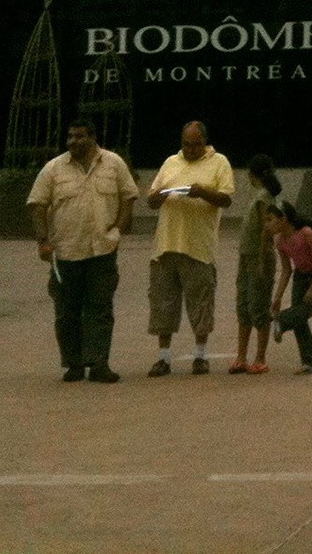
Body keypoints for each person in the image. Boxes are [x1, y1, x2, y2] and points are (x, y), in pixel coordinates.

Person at [26, 119, 138, 384]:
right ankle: (74, 364)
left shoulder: (113, 164)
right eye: (69, 137)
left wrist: (117, 231)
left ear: (93, 138)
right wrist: (43, 240)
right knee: (67, 311)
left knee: (100, 309)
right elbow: (37, 205)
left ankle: (99, 364)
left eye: (79, 136)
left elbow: (129, 196)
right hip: (66, 253)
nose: (73, 142)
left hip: (102, 250)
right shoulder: (53, 169)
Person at [144, 119, 235, 376]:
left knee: (201, 303)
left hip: (198, 247)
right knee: (163, 303)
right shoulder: (171, 162)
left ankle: (201, 356)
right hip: (166, 246)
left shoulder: (219, 163)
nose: (190, 150)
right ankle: (163, 358)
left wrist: (203, 192)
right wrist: (157, 197)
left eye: (195, 145)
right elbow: (151, 199)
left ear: (204, 142)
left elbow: (226, 199)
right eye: (186, 144)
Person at [268, 202, 312, 373]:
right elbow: (286, 270)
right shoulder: (280, 241)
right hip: (301, 274)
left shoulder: (306, 233)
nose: (267, 225)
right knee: (299, 317)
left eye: (270, 220)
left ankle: (282, 320)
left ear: (283, 220)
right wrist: (278, 297)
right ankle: (309, 362)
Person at [232, 155, 280, 374]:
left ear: (253, 174)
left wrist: (262, 260)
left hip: (258, 257)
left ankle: (259, 357)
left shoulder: (263, 197)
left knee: (257, 306)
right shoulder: (260, 196)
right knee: (244, 305)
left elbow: (265, 232)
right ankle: (242, 356)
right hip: (248, 255)